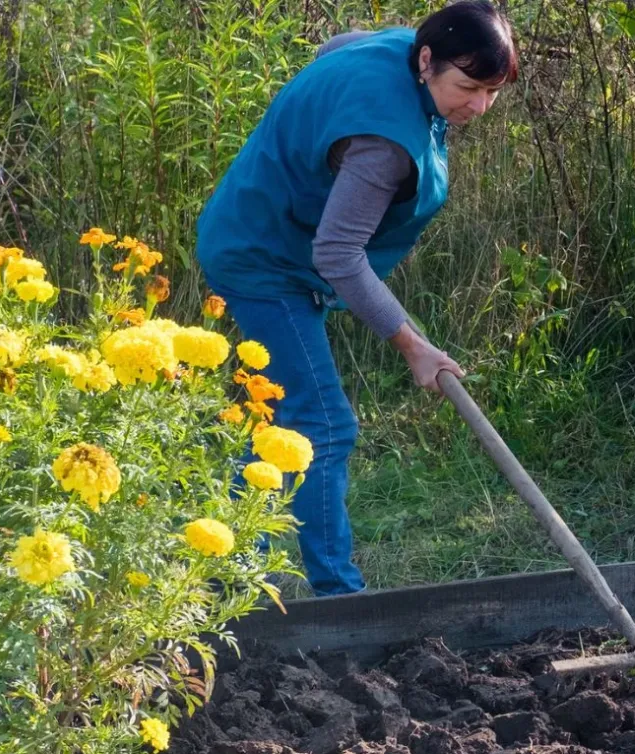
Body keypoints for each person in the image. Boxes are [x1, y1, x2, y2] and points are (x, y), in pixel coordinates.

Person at [195, 2, 517, 596]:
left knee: (290, 416)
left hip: (268, 237)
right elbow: (338, 255)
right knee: (324, 424)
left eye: (491, 91)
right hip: (263, 259)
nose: (478, 107)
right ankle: (331, 596)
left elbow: (334, 48)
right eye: (467, 87)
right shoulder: (384, 146)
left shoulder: (396, 50)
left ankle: (225, 572)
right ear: (427, 60)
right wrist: (413, 345)